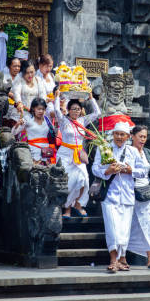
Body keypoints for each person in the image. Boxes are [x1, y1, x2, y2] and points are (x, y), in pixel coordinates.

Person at [92, 122, 146, 273]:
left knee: (124, 230)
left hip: (127, 195)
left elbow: (143, 171)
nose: (119, 137)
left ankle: (122, 258)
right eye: (117, 134)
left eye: (122, 134)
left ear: (128, 137)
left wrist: (130, 170)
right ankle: (113, 259)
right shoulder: (104, 148)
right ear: (113, 134)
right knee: (112, 229)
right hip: (110, 195)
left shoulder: (133, 151)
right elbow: (95, 168)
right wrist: (108, 171)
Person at [54, 88, 101, 217]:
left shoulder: (82, 121)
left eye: (78, 109)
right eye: (73, 109)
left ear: (81, 111)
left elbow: (97, 112)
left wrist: (91, 98)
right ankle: (67, 209)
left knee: (84, 179)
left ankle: (78, 204)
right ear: (69, 110)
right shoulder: (64, 121)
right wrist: (57, 97)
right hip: (65, 154)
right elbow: (57, 111)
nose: (75, 111)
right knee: (69, 182)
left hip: (79, 154)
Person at [127, 125, 150, 268]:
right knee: (130, 226)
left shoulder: (148, 152)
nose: (143, 139)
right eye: (140, 136)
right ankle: (121, 257)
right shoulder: (128, 151)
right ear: (133, 136)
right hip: (131, 191)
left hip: (146, 192)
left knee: (148, 224)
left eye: (145, 137)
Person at [12, 97, 53, 164]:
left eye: (43, 109)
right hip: (33, 151)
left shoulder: (47, 120)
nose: (41, 111)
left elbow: (54, 133)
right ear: (33, 109)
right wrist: (17, 124)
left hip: (46, 152)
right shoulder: (27, 119)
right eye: (39, 109)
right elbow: (13, 132)